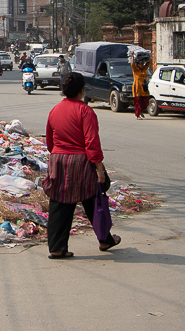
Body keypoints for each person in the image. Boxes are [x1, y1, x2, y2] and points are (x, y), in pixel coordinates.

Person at [42, 72, 121, 258]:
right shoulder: (85, 111)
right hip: (81, 162)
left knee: (60, 203)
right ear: (82, 90)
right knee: (94, 199)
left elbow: (50, 143)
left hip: (58, 160)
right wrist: (99, 168)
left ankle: (56, 246)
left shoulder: (55, 110)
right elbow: (92, 142)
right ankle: (104, 239)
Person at [130, 52, 151, 120]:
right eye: (140, 63)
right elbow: (132, 64)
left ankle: (141, 111)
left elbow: (149, 63)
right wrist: (132, 56)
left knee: (146, 102)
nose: (142, 65)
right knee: (138, 102)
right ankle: (138, 114)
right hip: (137, 88)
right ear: (138, 64)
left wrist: (150, 56)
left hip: (144, 88)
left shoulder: (144, 69)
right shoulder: (135, 70)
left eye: (142, 63)